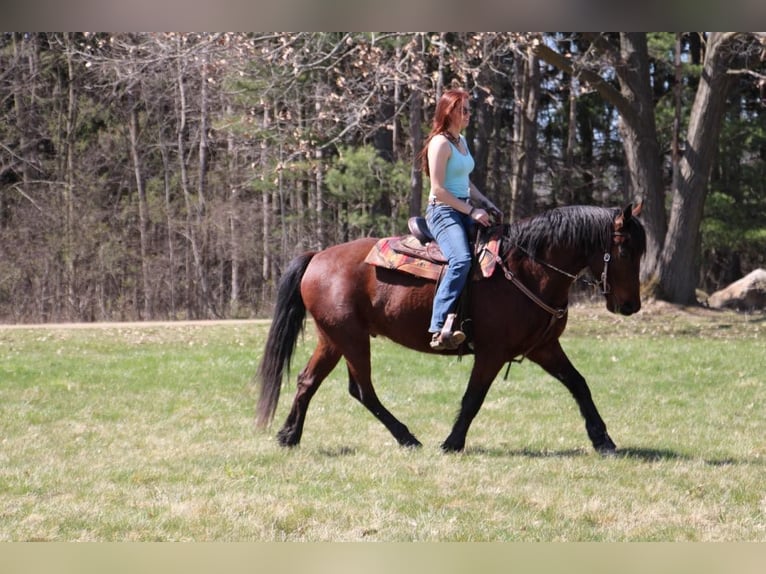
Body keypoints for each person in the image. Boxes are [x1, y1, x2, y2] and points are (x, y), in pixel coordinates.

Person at [419, 88, 502, 351]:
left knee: (498, 249)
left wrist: (485, 202)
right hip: (442, 212)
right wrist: (471, 212)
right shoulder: (440, 143)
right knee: (462, 259)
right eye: (463, 110)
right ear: (449, 112)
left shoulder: (460, 141)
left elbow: (464, 180)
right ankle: (437, 326)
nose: (468, 114)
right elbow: (439, 190)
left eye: (468, 109)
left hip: (464, 207)